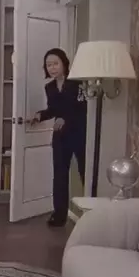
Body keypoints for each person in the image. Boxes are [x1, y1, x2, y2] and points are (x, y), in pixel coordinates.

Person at [29, 48, 87, 227]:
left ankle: (91, 213)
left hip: (80, 134)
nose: (52, 68)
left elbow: (82, 108)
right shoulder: (50, 87)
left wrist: (65, 119)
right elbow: (54, 110)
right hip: (61, 136)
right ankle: (59, 214)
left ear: (64, 64)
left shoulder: (77, 83)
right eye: (49, 65)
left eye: (55, 64)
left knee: (85, 172)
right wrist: (40, 115)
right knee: (60, 174)